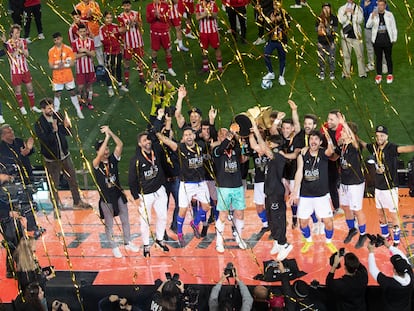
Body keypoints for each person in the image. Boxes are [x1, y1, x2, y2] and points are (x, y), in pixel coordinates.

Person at [34, 98, 91, 214]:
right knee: (54, 183)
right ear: (43, 109)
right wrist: (54, 130)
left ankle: (77, 201)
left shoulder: (57, 116)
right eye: (49, 108)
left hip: (65, 155)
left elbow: (67, 134)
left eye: (52, 107)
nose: (52, 110)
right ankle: (56, 206)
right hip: (51, 159)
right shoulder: (39, 124)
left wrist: (67, 126)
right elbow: (45, 141)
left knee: (73, 179)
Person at [156, 126, 211, 247]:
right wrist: (158, 133)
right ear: (183, 138)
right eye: (186, 135)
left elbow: (210, 141)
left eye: (190, 134)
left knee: (207, 207)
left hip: (201, 182)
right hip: (186, 184)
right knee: (182, 210)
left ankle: (195, 223)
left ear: (194, 136)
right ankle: (180, 233)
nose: (188, 136)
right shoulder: (180, 148)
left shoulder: (201, 146)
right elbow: (166, 141)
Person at [360, 125, 414, 246]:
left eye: (382, 136)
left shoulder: (391, 148)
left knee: (393, 215)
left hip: (390, 189)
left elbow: (404, 149)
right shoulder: (374, 147)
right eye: (378, 135)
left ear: (386, 136)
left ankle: (396, 240)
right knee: (380, 214)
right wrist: (353, 135)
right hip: (378, 189)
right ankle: (385, 236)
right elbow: (363, 144)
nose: (379, 138)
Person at [93, 126, 139, 258]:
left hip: (118, 194)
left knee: (125, 218)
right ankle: (114, 247)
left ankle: (128, 242)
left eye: (107, 148)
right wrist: (106, 138)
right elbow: (100, 155)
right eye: (103, 149)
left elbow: (120, 144)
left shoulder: (113, 160)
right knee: (109, 224)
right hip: (106, 198)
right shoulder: (96, 164)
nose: (106, 151)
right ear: (98, 151)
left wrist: (110, 133)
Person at [250, 123, 293, 260]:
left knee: (278, 219)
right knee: (271, 219)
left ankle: (284, 244)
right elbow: (259, 147)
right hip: (269, 193)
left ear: (275, 145)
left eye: (269, 143)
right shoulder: (272, 156)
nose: (267, 145)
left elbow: (263, 147)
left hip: (276, 193)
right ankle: (277, 242)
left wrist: (257, 131)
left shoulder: (277, 156)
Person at [290, 130, 337, 254]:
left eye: (316, 139)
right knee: (303, 222)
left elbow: (331, 151)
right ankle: (308, 240)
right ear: (308, 141)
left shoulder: (323, 153)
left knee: (328, 222)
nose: (313, 141)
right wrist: (295, 191)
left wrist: (329, 138)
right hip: (306, 195)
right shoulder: (302, 154)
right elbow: (299, 171)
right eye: (311, 139)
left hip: (321, 196)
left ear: (320, 142)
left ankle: (328, 241)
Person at [128, 132, 169, 257]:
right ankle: (146, 245)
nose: (148, 142)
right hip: (145, 195)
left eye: (148, 140)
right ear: (140, 144)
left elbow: (155, 136)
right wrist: (135, 197)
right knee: (146, 221)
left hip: (159, 190)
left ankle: (159, 240)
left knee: (162, 216)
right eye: (145, 140)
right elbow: (131, 180)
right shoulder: (135, 160)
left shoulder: (156, 150)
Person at [0, 124, 44, 240]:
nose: (12, 133)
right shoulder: (1, 149)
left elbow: (29, 152)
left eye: (12, 130)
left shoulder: (18, 141)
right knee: (22, 204)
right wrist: (23, 153)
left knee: (29, 201)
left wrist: (28, 150)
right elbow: (11, 162)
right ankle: (17, 232)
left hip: (26, 176)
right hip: (13, 182)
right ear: (3, 136)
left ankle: (31, 227)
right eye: (9, 132)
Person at [212, 128, 247, 253]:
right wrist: (228, 137)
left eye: (226, 134)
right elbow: (222, 148)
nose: (224, 136)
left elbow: (243, 157)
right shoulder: (216, 150)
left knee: (239, 214)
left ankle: (239, 237)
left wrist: (236, 137)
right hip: (223, 187)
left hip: (237, 186)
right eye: (222, 134)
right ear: (218, 137)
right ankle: (219, 242)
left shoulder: (235, 150)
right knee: (223, 215)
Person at [335, 118, 367, 249]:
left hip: (355, 183)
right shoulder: (343, 146)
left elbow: (354, 139)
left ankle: (363, 234)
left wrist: (343, 123)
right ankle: (352, 229)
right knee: (346, 207)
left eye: (343, 131)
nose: (341, 132)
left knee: (357, 210)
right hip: (344, 182)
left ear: (350, 133)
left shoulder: (355, 145)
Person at [367, 239, 414, 311]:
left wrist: (371, 251)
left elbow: (373, 270)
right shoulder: (410, 275)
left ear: (394, 270)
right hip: (405, 307)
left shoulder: (389, 283)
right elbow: (404, 258)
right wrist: (389, 246)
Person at [6, 24, 40, 115]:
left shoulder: (23, 41)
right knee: (18, 90)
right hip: (15, 71)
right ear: (12, 34)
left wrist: (23, 49)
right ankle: (22, 107)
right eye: (16, 33)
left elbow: (27, 55)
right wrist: (18, 49)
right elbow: (11, 56)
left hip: (25, 69)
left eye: (19, 32)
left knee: (30, 88)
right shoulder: (8, 43)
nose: (18, 34)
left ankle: (32, 106)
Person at [48, 32, 84, 119]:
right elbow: (51, 65)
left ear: (61, 38)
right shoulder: (51, 51)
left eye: (58, 39)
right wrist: (57, 66)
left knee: (72, 92)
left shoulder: (68, 49)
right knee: (57, 93)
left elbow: (72, 63)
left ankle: (78, 110)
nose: (57, 41)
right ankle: (56, 112)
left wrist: (64, 65)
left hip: (68, 76)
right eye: (55, 40)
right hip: (57, 77)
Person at [366, 0, 397, 84]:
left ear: (385, 6)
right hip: (377, 41)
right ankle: (379, 74)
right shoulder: (373, 15)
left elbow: (393, 27)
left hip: (387, 40)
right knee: (378, 58)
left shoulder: (389, 15)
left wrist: (394, 38)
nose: (380, 7)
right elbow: (368, 25)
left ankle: (390, 74)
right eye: (379, 5)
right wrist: (372, 17)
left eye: (382, 5)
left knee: (388, 57)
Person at [262, 0, 291, 86]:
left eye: (277, 4)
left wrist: (282, 21)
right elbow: (266, 27)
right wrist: (271, 22)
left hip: (282, 41)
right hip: (272, 40)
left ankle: (281, 76)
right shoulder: (269, 13)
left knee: (282, 58)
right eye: (274, 4)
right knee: (266, 54)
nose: (276, 6)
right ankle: (271, 72)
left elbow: (288, 27)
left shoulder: (285, 14)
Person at [118, 0, 145, 88]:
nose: (127, 7)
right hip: (127, 43)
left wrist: (136, 22)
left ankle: (142, 77)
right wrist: (129, 25)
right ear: (123, 7)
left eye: (128, 5)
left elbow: (141, 25)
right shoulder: (120, 16)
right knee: (127, 61)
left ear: (130, 5)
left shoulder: (136, 14)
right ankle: (127, 80)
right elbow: (121, 30)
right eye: (125, 6)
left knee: (139, 60)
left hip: (138, 42)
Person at [146, 0, 177, 77]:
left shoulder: (165, 6)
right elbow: (148, 20)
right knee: (154, 51)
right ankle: (154, 68)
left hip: (164, 31)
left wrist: (160, 16)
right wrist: (154, 16)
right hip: (154, 32)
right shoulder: (149, 6)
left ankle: (170, 68)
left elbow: (168, 19)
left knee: (167, 50)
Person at [338, 0, 366, 78]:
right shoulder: (342, 8)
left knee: (360, 55)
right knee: (346, 55)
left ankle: (362, 73)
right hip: (346, 37)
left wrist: (353, 13)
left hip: (357, 36)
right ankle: (346, 73)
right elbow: (341, 20)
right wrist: (345, 13)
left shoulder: (359, 8)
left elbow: (360, 20)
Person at [72, 23, 96, 111]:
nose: (82, 33)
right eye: (80, 31)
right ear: (78, 32)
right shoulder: (75, 43)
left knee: (89, 86)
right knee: (80, 87)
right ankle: (81, 102)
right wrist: (86, 53)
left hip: (90, 68)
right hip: (80, 69)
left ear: (86, 31)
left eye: (84, 31)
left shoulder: (91, 41)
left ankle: (89, 102)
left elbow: (93, 54)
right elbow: (74, 56)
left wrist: (84, 50)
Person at [99, 11, 124, 97]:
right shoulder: (102, 29)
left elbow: (121, 37)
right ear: (104, 19)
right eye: (107, 18)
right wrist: (111, 36)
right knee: (110, 70)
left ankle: (120, 84)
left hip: (118, 51)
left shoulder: (115, 26)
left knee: (118, 68)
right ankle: (110, 87)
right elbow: (103, 41)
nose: (109, 19)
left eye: (110, 18)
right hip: (108, 52)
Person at [195, 0, 223, 73]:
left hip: (213, 31)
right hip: (203, 32)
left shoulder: (213, 4)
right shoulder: (199, 5)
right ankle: (205, 67)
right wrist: (204, 15)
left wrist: (210, 14)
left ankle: (220, 66)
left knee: (216, 48)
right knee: (204, 49)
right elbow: (197, 18)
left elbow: (215, 16)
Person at [75, 0, 104, 65]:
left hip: (95, 31)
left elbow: (99, 16)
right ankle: (90, 68)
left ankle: (102, 67)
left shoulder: (94, 4)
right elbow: (77, 20)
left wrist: (92, 15)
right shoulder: (78, 7)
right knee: (87, 50)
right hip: (85, 33)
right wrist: (86, 16)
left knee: (98, 50)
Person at [316, 3, 338, 80]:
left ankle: (332, 71)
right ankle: (322, 71)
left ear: (330, 9)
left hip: (331, 41)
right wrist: (320, 26)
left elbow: (334, 30)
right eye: (324, 8)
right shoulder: (319, 18)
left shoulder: (334, 18)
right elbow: (317, 30)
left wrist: (326, 26)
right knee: (321, 57)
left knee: (331, 58)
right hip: (321, 42)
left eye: (327, 8)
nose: (326, 10)